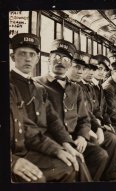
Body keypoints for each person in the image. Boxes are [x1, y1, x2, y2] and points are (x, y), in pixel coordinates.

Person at [9, 33, 90, 181]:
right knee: (69, 166)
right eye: (22, 54)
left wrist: (66, 143)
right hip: (25, 147)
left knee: (75, 160)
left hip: (37, 142)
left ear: (37, 59)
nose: (28, 58)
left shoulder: (38, 88)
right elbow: (23, 126)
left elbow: (53, 119)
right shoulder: (12, 85)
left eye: (32, 55)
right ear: (13, 57)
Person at [36, 39, 108, 181]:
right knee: (78, 161)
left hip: (75, 138)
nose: (60, 62)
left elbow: (84, 118)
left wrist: (82, 136)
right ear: (48, 60)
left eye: (65, 59)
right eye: (56, 58)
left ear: (69, 64)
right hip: (52, 140)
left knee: (100, 155)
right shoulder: (37, 84)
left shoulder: (76, 88)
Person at [66, 51, 116, 181]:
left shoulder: (81, 87)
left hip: (83, 128)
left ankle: (104, 175)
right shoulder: (79, 87)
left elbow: (89, 112)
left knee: (109, 140)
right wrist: (87, 132)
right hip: (70, 134)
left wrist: (99, 126)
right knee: (103, 144)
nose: (85, 72)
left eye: (86, 69)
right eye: (78, 67)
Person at [10, 83, 76, 182]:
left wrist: (57, 150)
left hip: (21, 152)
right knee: (38, 179)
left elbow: (26, 128)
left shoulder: (12, 88)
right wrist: (12, 161)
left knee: (68, 166)